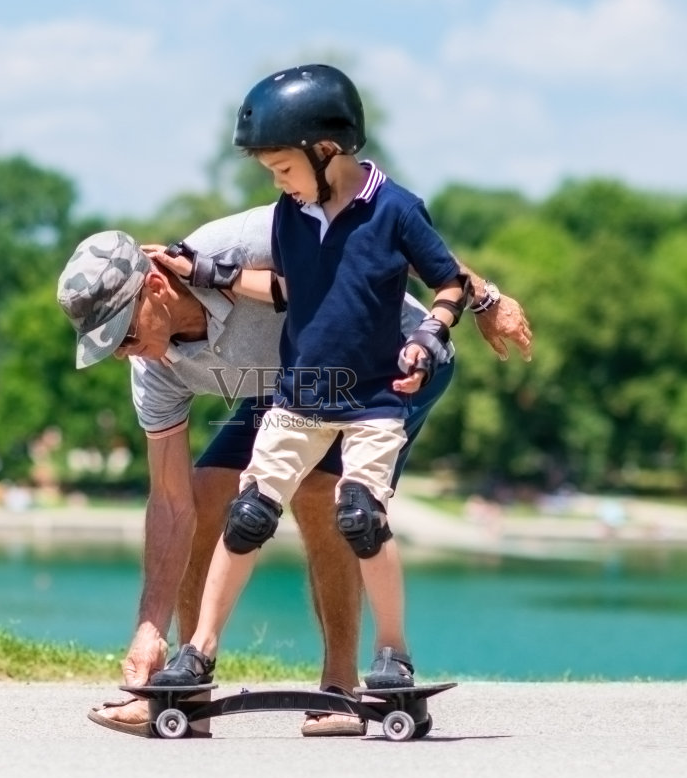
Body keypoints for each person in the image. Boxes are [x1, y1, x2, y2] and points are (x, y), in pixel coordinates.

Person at [57, 206, 532, 736]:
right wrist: (148, 628)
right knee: (206, 490)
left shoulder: (237, 246)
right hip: (289, 387)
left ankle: (340, 685)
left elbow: (386, 235)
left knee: (319, 492)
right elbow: (170, 503)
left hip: (389, 359)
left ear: (155, 289)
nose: (124, 355)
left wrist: (484, 297)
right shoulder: (155, 369)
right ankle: (185, 684)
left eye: (122, 334)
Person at [150, 63, 474, 691]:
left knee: (359, 514)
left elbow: (450, 281)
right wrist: (208, 271)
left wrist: (433, 336)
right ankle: (199, 650)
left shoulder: (397, 210)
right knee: (248, 513)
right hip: (300, 399)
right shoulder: (291, 215)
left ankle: (392, 652)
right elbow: (284, 290)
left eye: (282, 168)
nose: (279, 183)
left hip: (376, 399)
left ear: (327, 149)